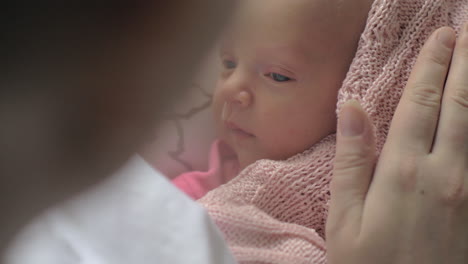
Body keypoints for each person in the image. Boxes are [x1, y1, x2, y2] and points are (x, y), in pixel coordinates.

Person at [1, 1, 467, 264]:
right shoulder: (197, 194)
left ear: (355, 90)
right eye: (227, 64)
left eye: (278, 76)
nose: (233, 92)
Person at [173, 0, 374, 199]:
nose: (230, 89)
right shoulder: (188, 200)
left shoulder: (371, 194)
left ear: (351, 89)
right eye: (229, 63)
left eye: (278, 76)